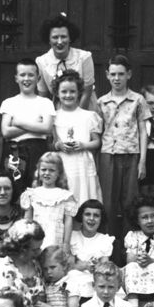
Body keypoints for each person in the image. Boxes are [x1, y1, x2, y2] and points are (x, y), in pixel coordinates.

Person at [0, 219, 72, 307]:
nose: (39, 252)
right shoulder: (3, 274)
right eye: (35, 249)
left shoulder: (36, 264)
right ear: (21, 249)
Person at [96, 54, 150, 237]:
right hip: (108, 155)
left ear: (129, 74)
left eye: (120, 74)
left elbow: (143, 130)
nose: (116, 78)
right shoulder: (101, 102)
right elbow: (98, 130)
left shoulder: (138, 100)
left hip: (131, 154)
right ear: (107, 75)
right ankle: (108, 245)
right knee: (108, 203)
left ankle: (130, 245)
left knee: (130, 202)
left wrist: (142, 161)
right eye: (113, 74)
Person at [0, 58, 55, 197]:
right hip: (15, 151)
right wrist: (34, 124)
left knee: (37, 188)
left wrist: (18, 122)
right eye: (22, 75)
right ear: (16, 78)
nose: (26, 79)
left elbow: (47, 128)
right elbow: (6, 131)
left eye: (31, 75)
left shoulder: (45, 103)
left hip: (38, 149)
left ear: (38, 78)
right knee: (14, 189)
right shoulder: (9, 103)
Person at [52, 70, 102, 207]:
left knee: (83, 198)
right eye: (64, 92)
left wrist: (84, 145)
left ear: (79, 92)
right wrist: (59, 145)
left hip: (82, 163)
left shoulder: (89, 116)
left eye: (72, 91)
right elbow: (52, 143)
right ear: (57, 93)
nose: (68, 95)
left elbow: (97, 142)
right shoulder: (54, 116)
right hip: (63, 162)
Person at [35, 12, 96, 110]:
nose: (59, 42)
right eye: (55, 37)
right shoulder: (41, 62)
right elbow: (43, 96)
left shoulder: (84, 57)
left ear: (70, 38)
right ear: (49, 40)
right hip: (59, 108)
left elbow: (87, 92)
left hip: (85, 106)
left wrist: (79, 117)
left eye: (63, 37)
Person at [20, 152, 77, 250]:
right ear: (38, 171)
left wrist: (66, 243)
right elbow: (27, 220)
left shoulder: (65, 196)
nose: (47, 173)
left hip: (55, 239)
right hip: (36, 238)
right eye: (43, 169)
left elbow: (68, 221)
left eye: (51, 170)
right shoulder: (31, 194)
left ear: (59, 173)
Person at [65, 199, 115, 299]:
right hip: (73, 279)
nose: (91, 218)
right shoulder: (71, 236)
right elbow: (67, 264)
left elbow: (105, 266)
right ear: (81, 217)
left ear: (101, 219)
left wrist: (97, 267)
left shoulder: (104, 240)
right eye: (87, 214)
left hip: (93, 279)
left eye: (96, 215)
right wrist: (84, 266)